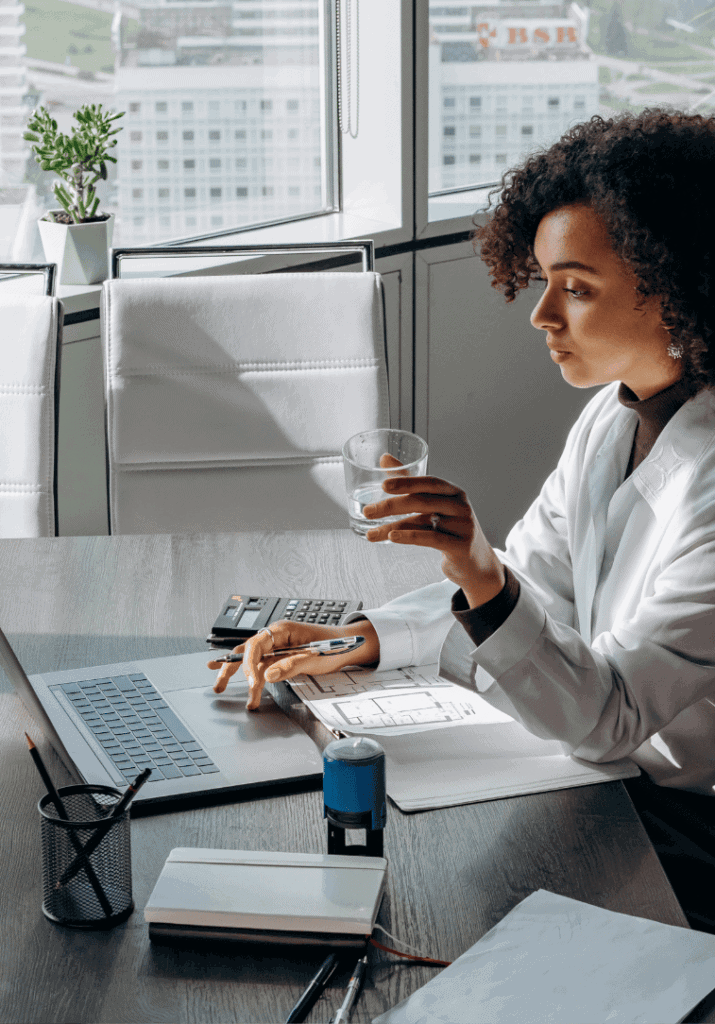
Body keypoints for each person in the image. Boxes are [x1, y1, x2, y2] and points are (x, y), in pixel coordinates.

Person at [209, 109, 715, 932]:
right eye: (545, 280)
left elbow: (606, 718)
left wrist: (477, 572)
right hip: (605, 784)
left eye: (576, 288)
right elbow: (536, 586)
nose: (541, 314)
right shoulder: (612, 417)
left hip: (680, 827)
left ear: (681, 285)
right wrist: (356, 639)